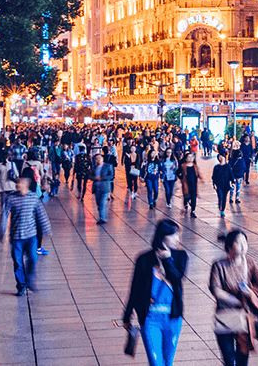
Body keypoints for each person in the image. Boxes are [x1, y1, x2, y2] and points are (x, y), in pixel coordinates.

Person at [123, 219, 188, 366]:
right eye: (174, 235)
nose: (177, 238)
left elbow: (176, 279)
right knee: (156, 362)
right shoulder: (144, 259)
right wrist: (127, 315)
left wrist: (166, 259)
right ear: (163, 235)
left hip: (173, 318)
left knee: (167, 362)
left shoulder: (181, 257)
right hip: (150, 318)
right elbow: (135, 288)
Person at [210, 230, 258, 366]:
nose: (243, 246)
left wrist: (250, 293)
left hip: (244, 318)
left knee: (242, 358)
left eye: (245, 242)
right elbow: (216, 290)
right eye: (239, 242)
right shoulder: (219, 265)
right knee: (228, 358)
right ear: (229, 246)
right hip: (224, 316)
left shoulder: (250, 263)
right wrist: (237, 301)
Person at [0, 176, 51, 296]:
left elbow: (41, 214)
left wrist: (46, 229)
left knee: (33, 258)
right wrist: (3, 232)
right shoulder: (11, 198)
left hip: (31, 235)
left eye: (20, 184)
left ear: (26, 185)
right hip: (16, 236)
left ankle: (28, 279)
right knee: (18, 263)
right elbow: (4, 215)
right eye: (17, 184)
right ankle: (21, 286)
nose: (18, 186)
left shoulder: (33, 198)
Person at [91, 152, 115, 225]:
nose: (98, 160)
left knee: (102, 203)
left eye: (99, 158)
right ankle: (102, 216)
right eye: (96, 159)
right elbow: (90, 175)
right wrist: (95, 178)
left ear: (102, 158)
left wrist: (102, 178)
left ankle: (102, 218)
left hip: (105, 187)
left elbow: (111, 175)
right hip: (97, 187)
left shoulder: (108, 166)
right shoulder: (94, 168)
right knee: (98, 204)